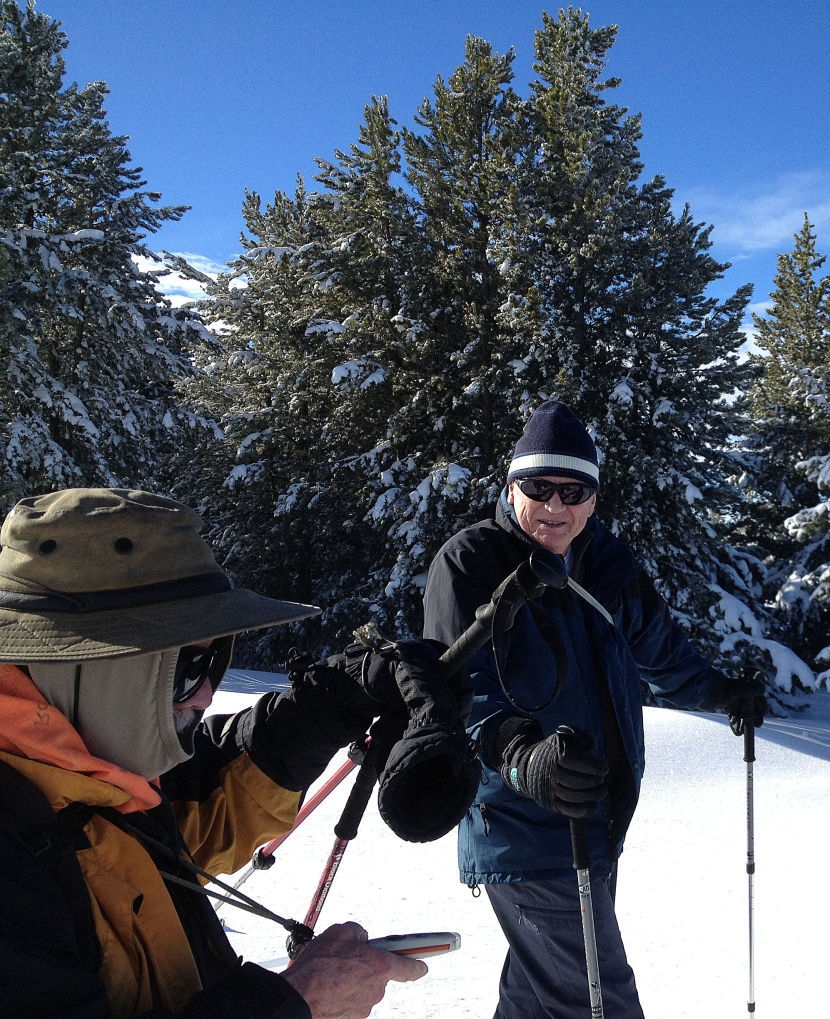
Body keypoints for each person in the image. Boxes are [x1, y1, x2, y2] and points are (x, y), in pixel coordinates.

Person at [0, 487, 438, 1019]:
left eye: (215, 666)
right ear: (82, 666)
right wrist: (293, 1003)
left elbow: (208, 796)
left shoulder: (98, 771)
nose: (207, 695)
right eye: (186, 669)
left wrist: (340, 696)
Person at [422, 400, 766, 1019]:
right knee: (596, 1000)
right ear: (511, 486)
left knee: (539, 994)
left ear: (594, 498)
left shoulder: (604, 562)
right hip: (522, 822)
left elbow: (659, 651)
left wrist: (720, 692)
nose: (556, 508)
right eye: (539, 488)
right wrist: (525, 761)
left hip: (599, 815)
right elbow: (457, 695)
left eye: (574, 490)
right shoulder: (472, 561)